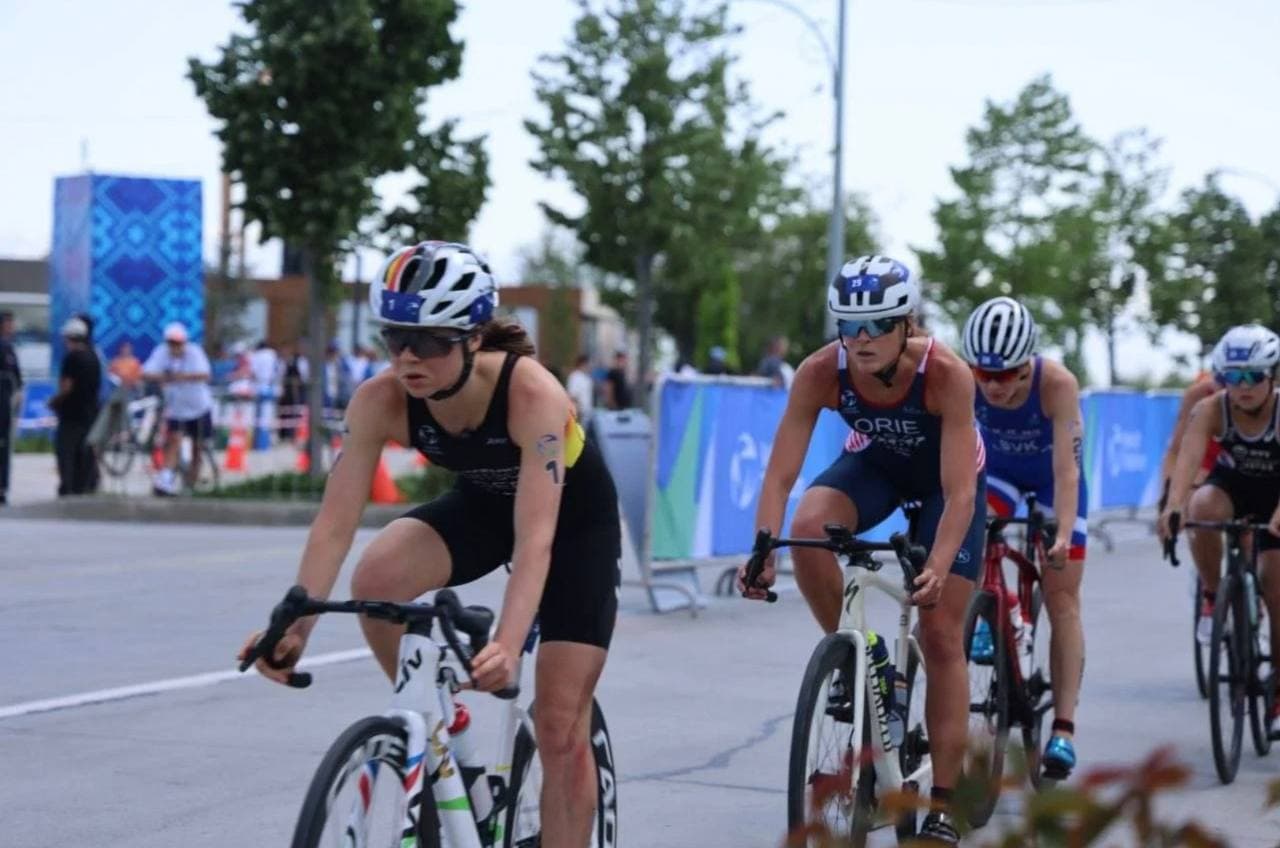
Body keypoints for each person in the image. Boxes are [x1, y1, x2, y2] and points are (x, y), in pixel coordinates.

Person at [238, 241, 622, 847]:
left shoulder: (532, 396)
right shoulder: (380, 400)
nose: (409, 358)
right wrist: (295, 622)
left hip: (572, 523)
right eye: (396, 338)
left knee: (557, 723)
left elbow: (537, 539)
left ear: (473, 338)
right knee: (377, 579)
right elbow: (336, 522)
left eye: (432, 341)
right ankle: (440, 726)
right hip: (484, 505)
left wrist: (508, 642)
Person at [738, 255, 984, 844]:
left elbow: (959, 494)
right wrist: (762, 548)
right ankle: (853, 653)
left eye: (876, 325)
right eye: (849, 326)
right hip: (877, 466)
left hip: (945, 486)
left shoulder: (946, 374)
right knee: (810, 525)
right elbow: (778, 477)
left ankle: (945, 805)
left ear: (907, 324)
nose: (862, 339)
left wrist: (940, 565)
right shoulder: (822, 372)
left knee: (941, 630)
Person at [960, 295, 1087, 780]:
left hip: (1055, 480)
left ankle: (1064, 729)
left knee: (1063, 598)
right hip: (999, 475)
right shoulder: (964, 380)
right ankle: (996, 610)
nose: (992, 385)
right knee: (970, 528)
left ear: (1026, 363)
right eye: (983, 374)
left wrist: (1061, 536)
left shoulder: (1056, 384)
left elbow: (1068, 471)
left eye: (1005, 374)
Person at [1159, 324, 1280, 727]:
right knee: (1202, 506)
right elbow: (1187, 460)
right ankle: (1213, 594)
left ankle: (1277, 686)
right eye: (1231, 378)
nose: (1242, 387)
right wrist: (1173, 508)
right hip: (1234, 486)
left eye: (1252, 378)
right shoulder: (1210, 408)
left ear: (1272, 377)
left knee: (1273, 581)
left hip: (1276, 494)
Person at [142, 322, 214, 496]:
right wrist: (166, 376)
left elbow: (205, 374)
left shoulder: (194, 352)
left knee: (198, 447)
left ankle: (191, 484)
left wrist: (181, 377)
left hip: (199, 407)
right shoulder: (161, 353)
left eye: (178, 343)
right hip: (176, 408)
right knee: (173, 441)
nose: (175, 347)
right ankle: (165, 479)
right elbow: (147, 373)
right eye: (172, 343)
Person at [48, 317, 101, 496]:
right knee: (85, 452)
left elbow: (67, 386)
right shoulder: (93, 356)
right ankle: (85, 485)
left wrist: (54, 402)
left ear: (70, 337)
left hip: (71, 414)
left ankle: (68, 486)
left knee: (66, 451)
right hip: (90, 413)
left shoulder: (71, 358)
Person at [0, 310, 23, 505]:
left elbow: (17, 378)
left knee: (4, 444)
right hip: (2, 402)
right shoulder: (5, 347)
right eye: (9, 323)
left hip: (6, 400)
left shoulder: (9, 347)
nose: (12, 327)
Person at [566, 353, 595, 421]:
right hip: (580, 414)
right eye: (589, 363)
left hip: (588, 414)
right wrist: (577, 412)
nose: (590, 366)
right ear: (583, 364)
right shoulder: (575, 377)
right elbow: (572, 395)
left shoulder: (587, 378)